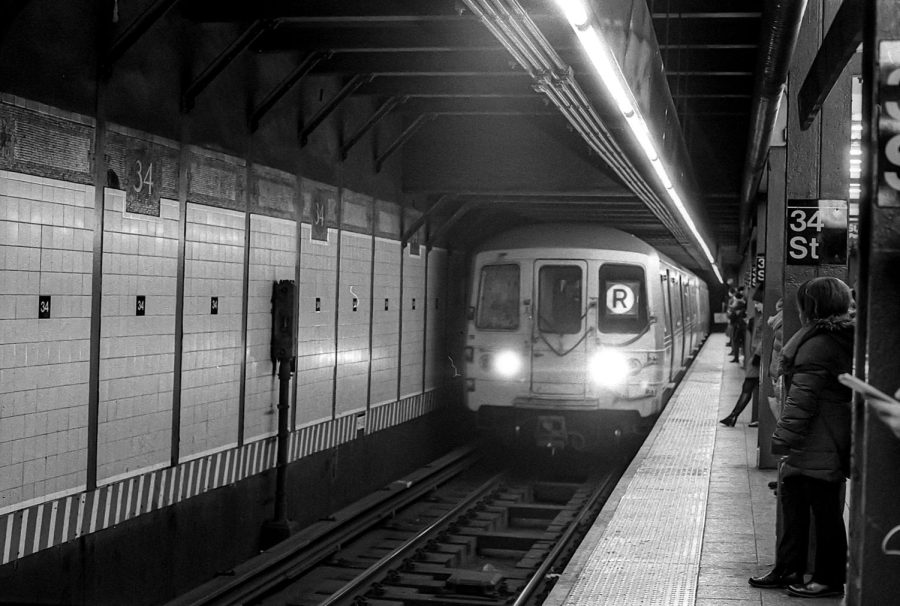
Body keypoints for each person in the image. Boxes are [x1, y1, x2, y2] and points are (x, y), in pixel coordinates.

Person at [749, 277, 854, 598]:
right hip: (818, 437)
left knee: (824, 514)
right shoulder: (828, 338)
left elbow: (801, 400)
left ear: (811, 307)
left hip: (818, 438)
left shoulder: (819, 344)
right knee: (796, 503)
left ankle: (828, 579)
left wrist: (783, 438)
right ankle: (788, 568)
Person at [720, 299, 763, 427]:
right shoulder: (760, 318)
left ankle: (733, 416)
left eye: (758, 302)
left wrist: (757, 355)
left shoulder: (765, 319)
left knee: (747, 387)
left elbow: (764, 338)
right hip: (757, 358)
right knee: (748, 388)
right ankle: (733, 416)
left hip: (757, 358)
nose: (756, 305)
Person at [728, 287, 747, 363]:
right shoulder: (743, 304)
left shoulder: (737, 306)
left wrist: (730, 312)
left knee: (736, 341)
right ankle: (739, 357)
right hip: (740, 326)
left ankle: (736, 358)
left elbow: (731, 316)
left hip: (737, 326)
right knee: (741, 343)